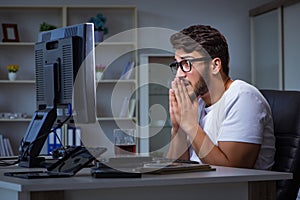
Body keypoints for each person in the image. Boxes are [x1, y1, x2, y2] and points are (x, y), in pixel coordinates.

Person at [166, 25, 275, 170]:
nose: (179, 74)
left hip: (238, 191)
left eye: (187, 63)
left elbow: (232, 171)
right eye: (178, 65)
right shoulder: (197, 103)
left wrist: (190, 125)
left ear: (215, 65)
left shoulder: (243, 97)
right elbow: (176, 166)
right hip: (200, 188)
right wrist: (177, 127)